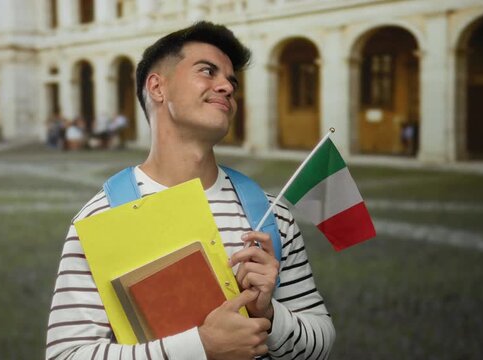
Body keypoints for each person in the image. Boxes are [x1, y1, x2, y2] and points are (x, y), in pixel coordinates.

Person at [47, 21, 335, 360]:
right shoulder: (100, 218)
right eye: (208, 71)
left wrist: (269, 316)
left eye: (231, 81)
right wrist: (202, 347)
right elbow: (66, 354)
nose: (226, 87)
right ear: (157, 87)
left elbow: (322, 343)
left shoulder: (273, 215)